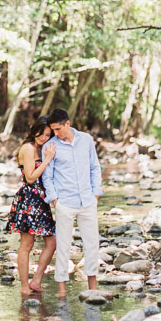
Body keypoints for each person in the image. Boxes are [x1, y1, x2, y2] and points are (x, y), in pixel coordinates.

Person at [41, 108, 103, 298]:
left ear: (68, 123)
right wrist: (55, 200)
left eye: (58, 129)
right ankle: (62, 291)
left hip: (87, 200)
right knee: (63, 246)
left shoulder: (86, 140)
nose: (55, 133)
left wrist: (96, 194)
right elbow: (47, 176)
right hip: (65, 203)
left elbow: (95, 166)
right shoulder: (50, 146)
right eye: (53, 130)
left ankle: (93, 287)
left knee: (92, 244)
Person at [5, 116, 58, 295]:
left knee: (52, 242)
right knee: (26, 244)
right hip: (28, 199)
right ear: (34, 130)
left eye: (47, 135)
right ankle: (24, 285)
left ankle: (36, 281)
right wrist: (47, 159)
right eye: (41, 134)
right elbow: (30, 177)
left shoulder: (41, 148)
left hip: (41, 200)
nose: (43, 138)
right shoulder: (28, 148)